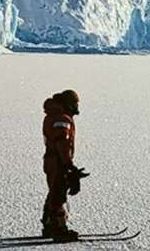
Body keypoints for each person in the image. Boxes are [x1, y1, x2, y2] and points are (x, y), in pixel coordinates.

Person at [40, 89, 88, 240]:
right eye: (75, 103)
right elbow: (62, 142)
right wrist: (68, 164)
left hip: (51, 160)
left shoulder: (53, 115)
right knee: (59, 194)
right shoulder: (62, 118)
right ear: (68, 103)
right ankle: (59, 228)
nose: (77, 106)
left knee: (54, 191)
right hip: (58, 161)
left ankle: (49, 224)